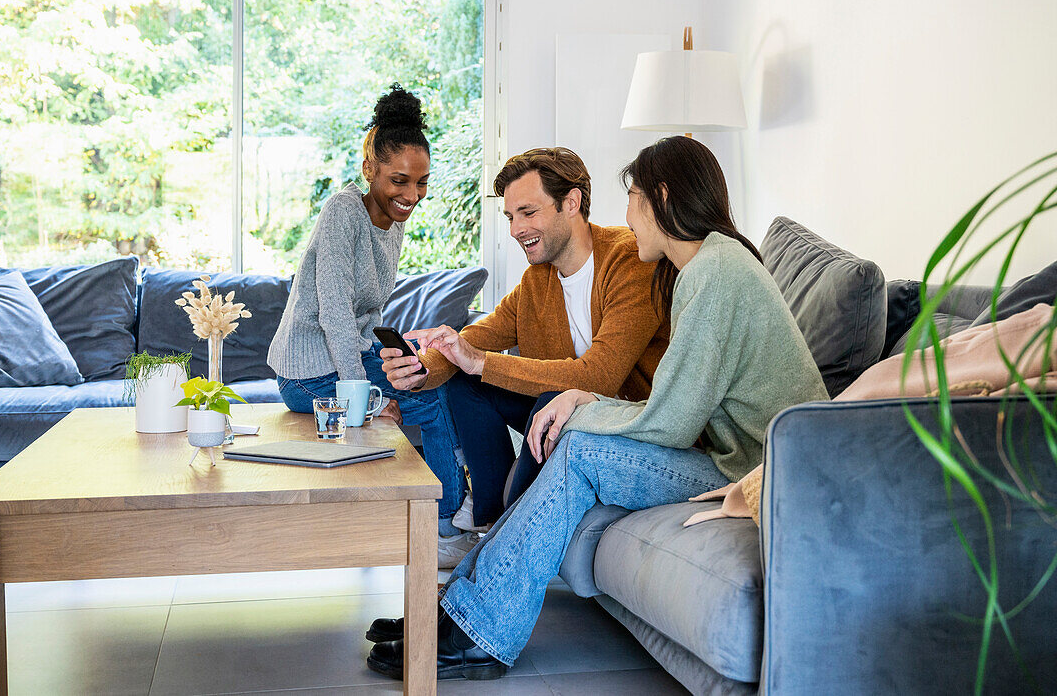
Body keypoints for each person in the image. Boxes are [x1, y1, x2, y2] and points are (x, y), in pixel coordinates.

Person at [365, 136, 829, 680]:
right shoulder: (707, 268)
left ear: (659, 197)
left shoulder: (709, 274)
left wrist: (580, 404)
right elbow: (480, 340)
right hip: (739, 458)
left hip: (755, 470)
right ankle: (460, 611)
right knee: (567, 432)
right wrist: (432, 362)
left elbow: (673, 419)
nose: (628, 214)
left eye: (632, 195)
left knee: (579, 446)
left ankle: (476, 629)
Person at [379, 147, 670, 534]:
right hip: (563, 411)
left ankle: (507, 531)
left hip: (627, 420)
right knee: (466, 381)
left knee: (548, 398)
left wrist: (480, 361)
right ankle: (487, 518)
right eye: (511, 217)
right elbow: (473, 339)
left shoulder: (631, 259)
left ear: (571, 202)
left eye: (528, 213)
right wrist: (420, 369)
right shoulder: (538, 280)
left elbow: (599, 376)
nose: (516, 230)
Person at [266, 84, 468, 557]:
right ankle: (447, 521)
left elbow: (367, 313)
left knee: (431, 371)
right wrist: (365, 397)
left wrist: (392, 352)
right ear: (369, 169)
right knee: (427, 393)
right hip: (308, 373)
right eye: (399, 180)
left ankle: (451, 504)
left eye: (421, 182)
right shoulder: (343, 210)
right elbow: (335, 312)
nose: (411, 195)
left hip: (348, 357)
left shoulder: (393, 224)